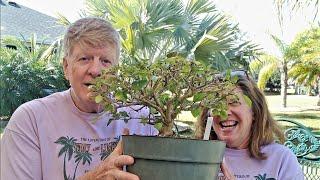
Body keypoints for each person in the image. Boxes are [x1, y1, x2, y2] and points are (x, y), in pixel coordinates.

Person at [1, 17, 157, 180]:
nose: (96, 71)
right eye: (85, 59)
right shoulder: (30, 120)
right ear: (66, 67)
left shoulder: (140, 118)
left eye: (105, 61)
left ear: (116, 72)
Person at [195, 71, 304, 180]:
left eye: (234, 102)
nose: (225, 112)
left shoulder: (281, 160)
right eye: (217, 104)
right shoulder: (195, 157)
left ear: (255, 112)